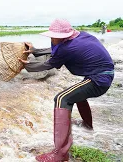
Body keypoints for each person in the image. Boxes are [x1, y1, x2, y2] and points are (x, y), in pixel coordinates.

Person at [18, 19, 114, 162]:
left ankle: (60, 153)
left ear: (63, 36)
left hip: (99, 79)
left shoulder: (68, 48)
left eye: (54, 36)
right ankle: (87, 125)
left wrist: (26, 66)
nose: (52, 38)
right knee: (77, 94)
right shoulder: (79, 36)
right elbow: (57, 50)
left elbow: (49, 63)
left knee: (62, 98)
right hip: (104, 75)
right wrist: (35, 51)